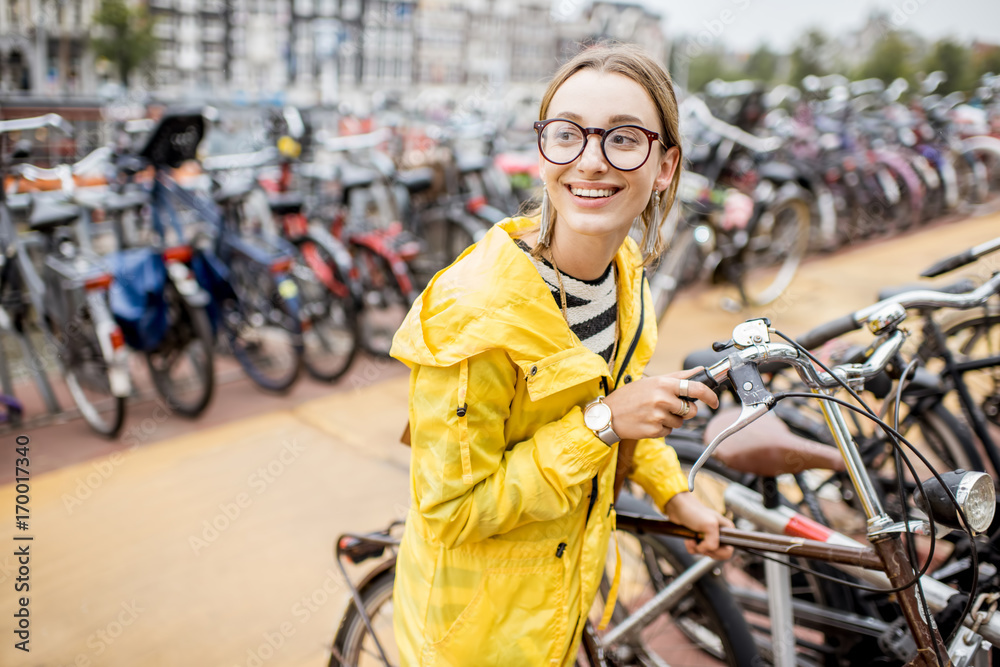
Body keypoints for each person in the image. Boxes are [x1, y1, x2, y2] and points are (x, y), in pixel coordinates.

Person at [389, 43, 733, 667]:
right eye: (568, 134)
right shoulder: (474, 312)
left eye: (624, 139)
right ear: (542, 152)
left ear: (665, 165)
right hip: (471, 637)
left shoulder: (626, 277)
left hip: (563, 605)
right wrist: (600, 426)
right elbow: (451, 512)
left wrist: (670, 492)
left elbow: (623, 403)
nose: (592, 162)